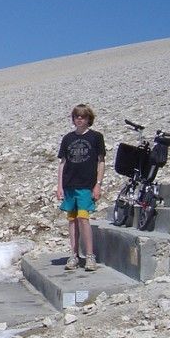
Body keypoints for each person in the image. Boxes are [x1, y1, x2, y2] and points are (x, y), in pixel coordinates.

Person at [56, 104, 106, 271]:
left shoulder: (96, 137)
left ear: (88, 119)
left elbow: (101, 161)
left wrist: (98, 184)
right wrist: (59, 186)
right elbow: (62, 163)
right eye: (77, 116)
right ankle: (74, 255)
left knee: (83, 218)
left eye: (83, 116)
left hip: (86, 185)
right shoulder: (67, 139)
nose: (79, 119)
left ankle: (90, 256)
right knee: (72, 220)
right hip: (70, 185)